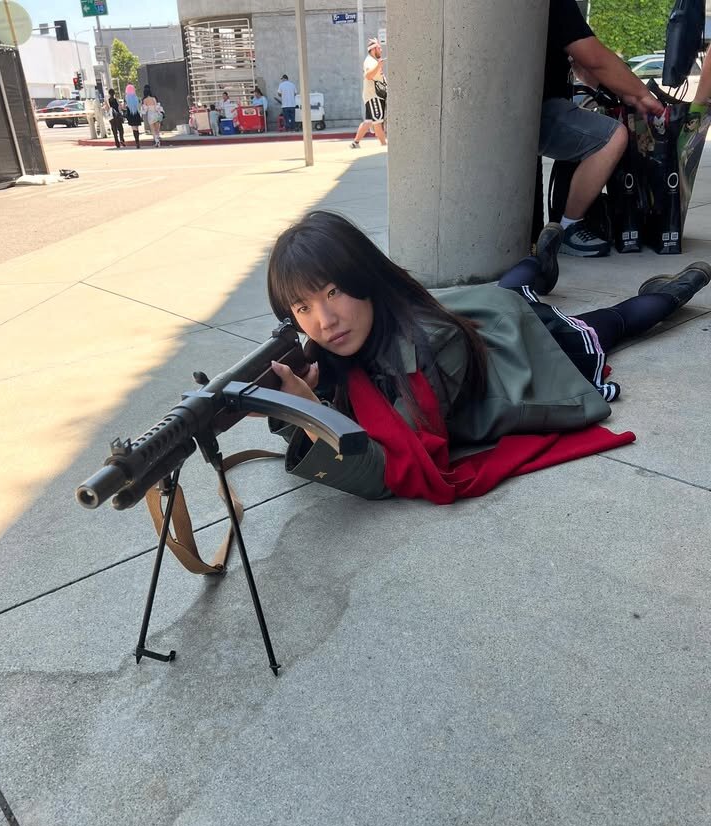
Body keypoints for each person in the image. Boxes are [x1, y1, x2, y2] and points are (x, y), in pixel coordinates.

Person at [264, 211, 711, 500]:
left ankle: (674, 290)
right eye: (303, 307)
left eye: (333, 292)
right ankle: (540, 261)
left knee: (606, 325)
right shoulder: (344, 339)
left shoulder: (430, 347)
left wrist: (308, 413)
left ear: (363, 277)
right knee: (509, 288)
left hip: (521, 348)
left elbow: (394, 469)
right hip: (481, 308)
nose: (324, 321)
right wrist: (292, 399)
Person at [542, 0, 664, 257]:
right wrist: (642, 95)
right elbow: (594, 58)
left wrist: (621, 91)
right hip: (537, 109)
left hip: (517, 106)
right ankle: (568, 228)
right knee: (610, 137)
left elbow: (582, 62)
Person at [350, 37, 387, 149]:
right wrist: (379, 66)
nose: (381, 50)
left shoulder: (373, 61)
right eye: (379, 48)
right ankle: (384, 146)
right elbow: (368, 75)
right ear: (373, 49)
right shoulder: (370, 61)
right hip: (374, 96)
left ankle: (355, 143)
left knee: (368, 121)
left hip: (373, 95)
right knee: (377, 122)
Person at [124, 84, 142, 149]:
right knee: (137, 128)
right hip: (136, 113)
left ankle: (136, 142)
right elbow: (139, 106)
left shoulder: (126, 98)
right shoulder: (136, 97)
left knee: (133, 128)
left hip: (130, 113)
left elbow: (124, 106)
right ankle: (138, 141)